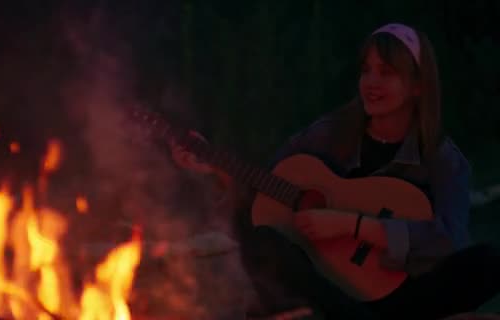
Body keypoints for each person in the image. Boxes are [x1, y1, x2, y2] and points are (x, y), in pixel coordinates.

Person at [170, 23, 500, 319]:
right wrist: (213, 169)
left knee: (486, 261)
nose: (371, 82)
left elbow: (449, 238)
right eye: (366, 71)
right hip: (330, 286)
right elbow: (266, 190)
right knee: (257, 231)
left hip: (406, 292)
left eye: (386, 72)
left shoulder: (444, 160)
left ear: (417, 85)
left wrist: (353, 225)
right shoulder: (329, 133)